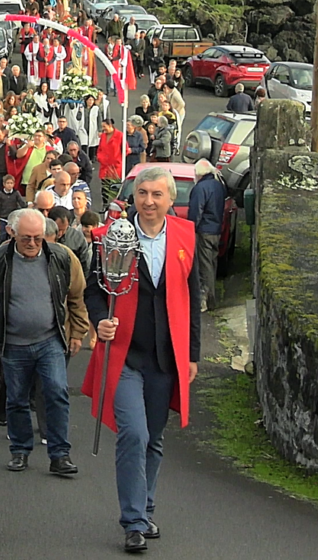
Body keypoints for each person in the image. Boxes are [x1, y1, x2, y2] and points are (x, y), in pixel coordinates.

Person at [82, 167, 200, 553]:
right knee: (134, 434)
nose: (148, 201)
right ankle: (133, 521)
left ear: (170, 200)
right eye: (142, 193)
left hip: (166, 358)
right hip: (125, 355)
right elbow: (94, 292)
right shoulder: (112, 237)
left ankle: (146, 508)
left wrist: (193, 355)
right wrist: (100, 322)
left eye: (156, 195)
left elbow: (192, 297)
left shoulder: (185, 236)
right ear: (133, 197)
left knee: (155, 438)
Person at [0, 208, 87, 474]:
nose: (32, 244)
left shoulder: (61, 257)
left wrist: (77, 332)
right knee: (17, 399)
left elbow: (77, 295)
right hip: (13, 343)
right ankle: (19, 451)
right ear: (12, 233)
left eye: (38, 238)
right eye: (26, 238)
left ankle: (60, 455)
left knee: (56, 392)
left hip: (50, 340)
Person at [188, 160, 227, 312]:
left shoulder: (200, 188)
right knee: (212, 263)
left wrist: (191, 229)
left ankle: (205, 301)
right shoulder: (218, 185)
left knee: (204, 267)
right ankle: (212, 299)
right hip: (216, 230)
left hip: (204, 231)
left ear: (199, 174)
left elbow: (196, 211)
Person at [0, 127, 30, 195]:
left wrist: (10, 146)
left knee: (9, 191)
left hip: (8, 172)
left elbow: (14, 156)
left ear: (4, 134)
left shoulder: (10, 143)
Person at [49, 206, 91, 276]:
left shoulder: (77, 238)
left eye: (63, 230)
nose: (60, 233)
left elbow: (85, 265)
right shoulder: (41, 236)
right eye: (58, 229)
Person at [97, 118, 125, 205]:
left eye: (104, 126)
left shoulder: (120, 135)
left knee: (114, 187)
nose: (103, 128)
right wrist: (99, 157)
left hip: (115, 166)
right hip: (104, 165)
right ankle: (104, 205)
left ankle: (116, 204)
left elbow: (125, 150)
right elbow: (100, 148)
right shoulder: (103, 136)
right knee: (104, 187)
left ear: (110, 126)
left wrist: (117, 159)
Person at [0, 174, 28, 244]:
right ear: (4, 184)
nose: (9, 185)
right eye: (8, 183)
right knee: (3, 236)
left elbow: (21, 202)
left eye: (11, 183)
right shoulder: (0, 194)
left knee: (13, 235)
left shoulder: (16, 193)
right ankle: (0, 248)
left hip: (13, 218)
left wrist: (27, 208)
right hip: (3, 218)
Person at [78, 94, 103, 162]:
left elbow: (99, 119)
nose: (90, 101)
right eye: (89, 100)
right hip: (84, 129)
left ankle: (92, 158)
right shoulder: (82, 108)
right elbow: (78, 118)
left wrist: (100, 130)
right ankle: (84, 158)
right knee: (84, 144)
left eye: (92, 100)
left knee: (92, 144)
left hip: (93, 129)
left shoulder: (96, 109)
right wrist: (79, 112)